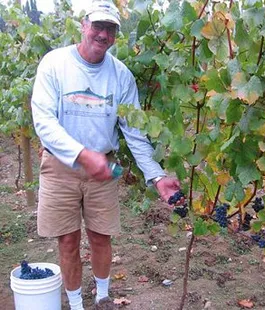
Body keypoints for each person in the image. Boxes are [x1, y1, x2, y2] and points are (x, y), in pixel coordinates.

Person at [31, 1, 183, 309]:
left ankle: (102, 297)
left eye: (110, 29)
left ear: (115, 35)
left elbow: (134, 132)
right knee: (68, 240)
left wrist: (155, 175)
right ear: (84, 25)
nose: (103, 34)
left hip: (104, 167)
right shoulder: (54, 63)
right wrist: (82, 154)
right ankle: (76, 304)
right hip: (60, 167)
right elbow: (43, 122)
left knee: (101, 237)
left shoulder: (121, 75)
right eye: (98, 26)